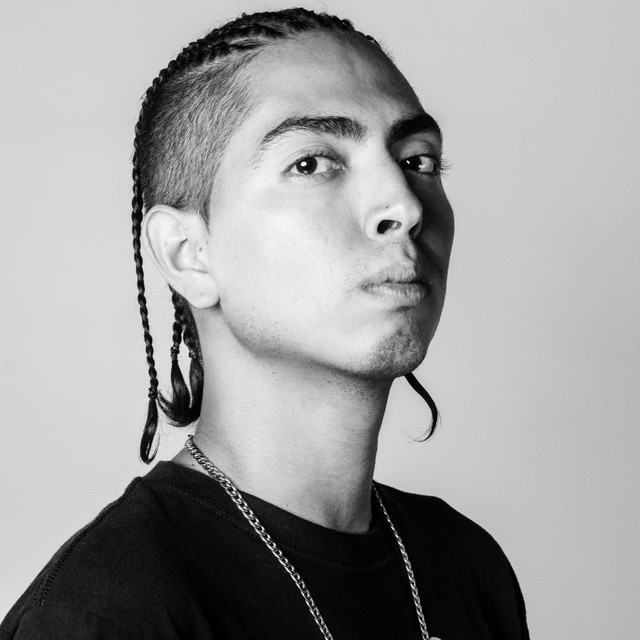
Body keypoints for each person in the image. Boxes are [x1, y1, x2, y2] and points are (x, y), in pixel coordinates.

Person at [0, 8, 529, 639]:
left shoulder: (463, 565)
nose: (404, 205)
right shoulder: (108, 612)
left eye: (418, 160)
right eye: (311, 163)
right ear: (189, 255)